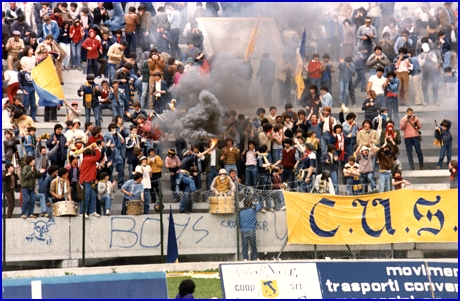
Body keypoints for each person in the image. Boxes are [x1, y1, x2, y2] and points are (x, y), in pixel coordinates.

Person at [79, 144, 102, 218]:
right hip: (86, 181)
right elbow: (98, 156)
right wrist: (96, 148)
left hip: (88, 180)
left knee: (92, 196)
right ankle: (82, 212)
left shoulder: (86, 160)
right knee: (87, 197)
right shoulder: (87, 159)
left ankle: (91, 211)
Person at [239, 196, 262, 261]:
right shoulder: (252, 210)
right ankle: (255, 258)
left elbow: (238, 222)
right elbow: (259, 206)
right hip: (252, 230)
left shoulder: (241, 211)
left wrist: (242, 227)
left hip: (244, 230)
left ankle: (245, 258)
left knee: (244, 246)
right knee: (253, 246)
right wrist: (253, 204)